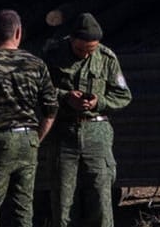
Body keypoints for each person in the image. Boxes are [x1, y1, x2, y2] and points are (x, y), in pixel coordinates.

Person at [0, 10, 57, 227]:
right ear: (19, 32)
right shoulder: (36, 63)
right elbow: (51, 109)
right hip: (29, 141)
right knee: (23, 209)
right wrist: (36, 139)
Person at [40, 13, 130, 227]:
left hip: (96, 133)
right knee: (62, 201)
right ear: (71, 40)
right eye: (81, 50)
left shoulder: (106, 58)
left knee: (100, 196)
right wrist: (65, 97)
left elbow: (123, 95)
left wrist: (99, 102)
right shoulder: (53, 55)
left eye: (91, 50)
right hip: (64, 133)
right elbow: (39, 88)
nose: (86, 54)